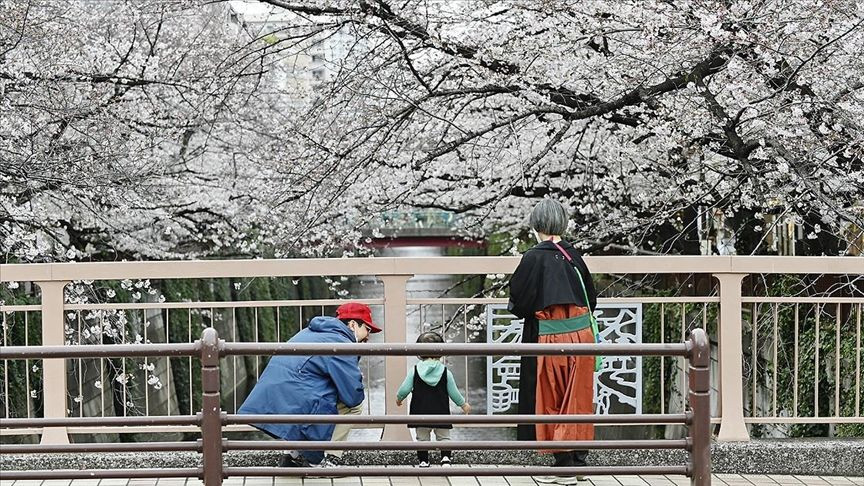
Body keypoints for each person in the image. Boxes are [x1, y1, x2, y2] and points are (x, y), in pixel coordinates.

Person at [508, 199, 599, 485]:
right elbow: (591, 299)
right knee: (578, 397)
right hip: (583, 337)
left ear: (536, 225)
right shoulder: (574, 255)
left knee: (552, 399)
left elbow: (521, 302)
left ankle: (563, 467)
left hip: (549, 335)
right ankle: (578, 461)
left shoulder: (533, 258)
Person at [237, 302, 381, 468]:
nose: (368, 336)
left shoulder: (313, 331)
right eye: (367, 329)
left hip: (272, 396)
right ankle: (331, 460)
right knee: (354, 407)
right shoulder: (342, 343)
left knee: (329, 394)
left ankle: (292, 455)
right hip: (294, 398)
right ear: (353, 325)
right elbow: (353, 396)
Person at [395, 331, 471, 467]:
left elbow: (404, 388)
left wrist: (399, 398)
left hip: (420, 412)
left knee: (422, 438)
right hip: (441, 411)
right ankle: (446, 458)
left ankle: (424, 460)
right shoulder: (445, 371)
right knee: (444, 437)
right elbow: (453, 392)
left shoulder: (415, 370)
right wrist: (463, 404)